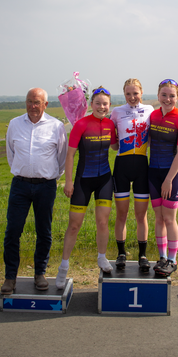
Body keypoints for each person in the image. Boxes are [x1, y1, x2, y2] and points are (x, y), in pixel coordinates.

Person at [1, 88, 68, 295]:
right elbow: (11, 154)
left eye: (37, 102)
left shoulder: (56, 126)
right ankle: (10, 277)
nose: (32, 106)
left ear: (45, 104)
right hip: (20, 185)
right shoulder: (14, 124)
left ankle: (40, 273)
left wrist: (49, 177)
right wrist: (24, 172)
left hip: (46, 186)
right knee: (13, 231)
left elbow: (62, 158)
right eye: (29, 102)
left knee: (44, 232)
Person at [55, 87, 118, 289]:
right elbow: (70, 154)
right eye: (98, 103)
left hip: (104, 179)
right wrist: (69, 181)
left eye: (105, 104)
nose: (101, 107)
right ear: (91, 105)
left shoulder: (110, 125)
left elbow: (115, 146)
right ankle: (63, 267)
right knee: (74, 225)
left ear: (109, 106)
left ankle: (102, 257)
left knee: (103, 222)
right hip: (83, 180)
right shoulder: (81, 124)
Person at [110, 78, 154, 271]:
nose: (132, 97)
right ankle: (121, 254)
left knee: (141, 215)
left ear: (141, 93)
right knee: (121, 213)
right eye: (128, 94)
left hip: (142, 167)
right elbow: (112, 142)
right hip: (122, 166)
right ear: (124, 94)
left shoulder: (151, 110)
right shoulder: (117, 112)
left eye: (135, 93)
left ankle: (143, 255)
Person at [148, 79, 178, 276]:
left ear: (177, 97)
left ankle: (173, 260)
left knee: (169, 218)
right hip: (153, 172)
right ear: (158, 96)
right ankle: (162, 257)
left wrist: (168, 180)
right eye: (164, 95)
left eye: (172, 96)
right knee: (158, 218)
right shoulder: (153, 116)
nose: (167, 99)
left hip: (171, 174)